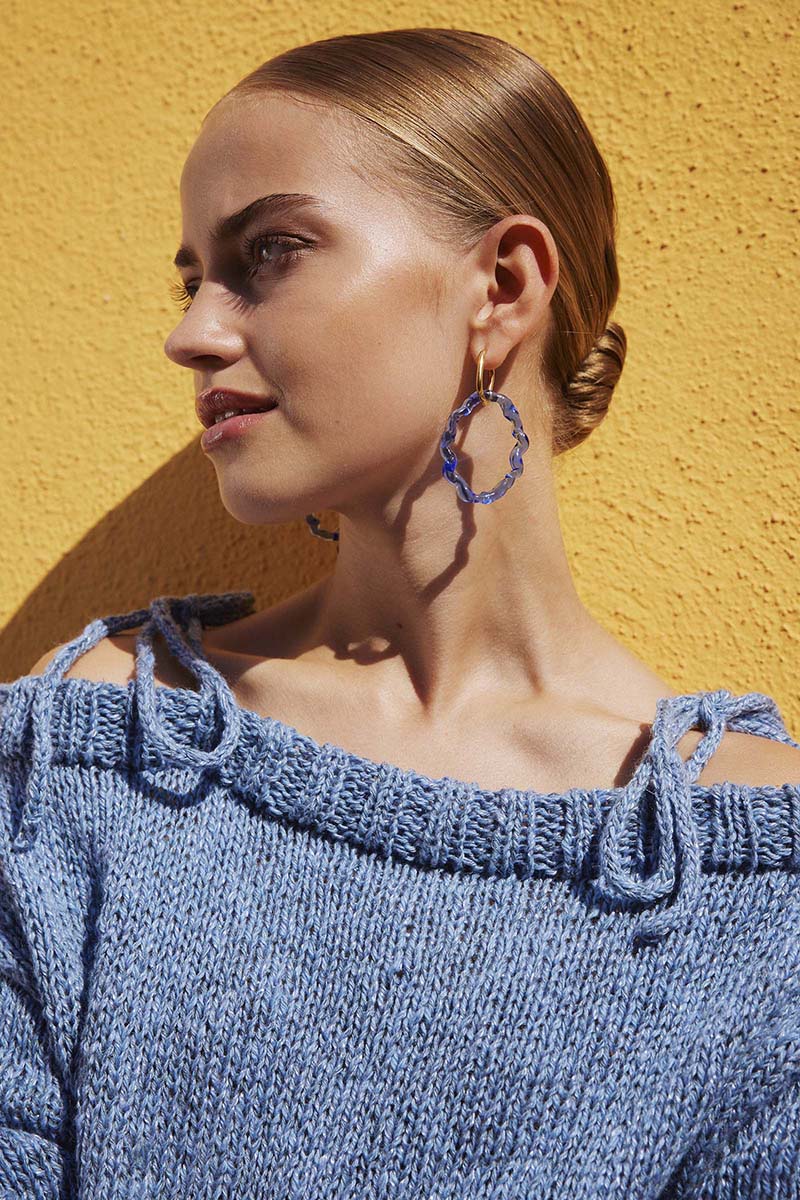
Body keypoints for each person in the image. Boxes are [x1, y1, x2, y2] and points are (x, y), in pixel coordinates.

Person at [1, 27, 798, 1199]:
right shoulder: (90, 750)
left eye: (268, 253)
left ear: (503, 285)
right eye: (191, 279)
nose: (190, 335)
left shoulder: (752, 881)